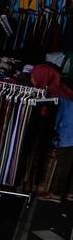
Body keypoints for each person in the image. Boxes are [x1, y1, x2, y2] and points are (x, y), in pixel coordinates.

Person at [32, 63, 73, 201]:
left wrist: (52, 130)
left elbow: (58, 117)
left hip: (69, 133)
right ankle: (70, 192)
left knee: (64, 164)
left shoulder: (56, 94)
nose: (32, 79)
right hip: (69, 131)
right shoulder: (62, 88)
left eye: (34, 76)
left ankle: (57, 194)